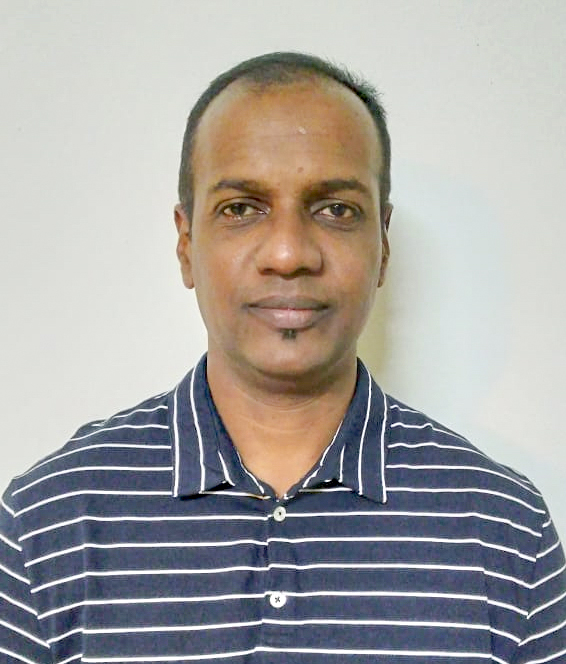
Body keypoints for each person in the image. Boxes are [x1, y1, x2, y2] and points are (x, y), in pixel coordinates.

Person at [1, 52, 564, 664]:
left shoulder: (505, 530)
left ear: (382, 244)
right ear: (186, 244)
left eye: (335, 210)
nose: (289, 254)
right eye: (242, 208)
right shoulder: (47, 525)